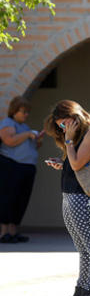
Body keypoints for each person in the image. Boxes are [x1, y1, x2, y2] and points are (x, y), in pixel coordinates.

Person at [43, 100, 90, 296]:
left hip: (84, 195)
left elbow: (78, 163)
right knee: (82, 248)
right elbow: (77, 163)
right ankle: (81, 291)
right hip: (71, 192)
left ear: (75, 116)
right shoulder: (79, 134)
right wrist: (62, 163)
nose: (63, 129)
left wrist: (68, 141)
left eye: (64, 124)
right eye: (60, 126)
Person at [0, 96, 42, 244]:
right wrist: (28, 134)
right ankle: (3, 232)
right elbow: (9, 140)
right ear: (14, 111)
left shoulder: (25, 127)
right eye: (23, 111)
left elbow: (32, 147)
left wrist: (36, 139)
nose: (26, 115)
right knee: (8, 198)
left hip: (27, 167)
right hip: (12, 166)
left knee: (21, 200)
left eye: (27, 112)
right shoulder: (8, 123)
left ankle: (13, 231)